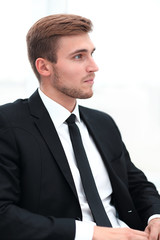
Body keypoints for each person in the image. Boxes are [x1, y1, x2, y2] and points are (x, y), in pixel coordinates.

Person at [0, 14, 160, 240]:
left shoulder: (103, 123)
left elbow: (137, 185)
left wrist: (156, 217)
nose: (93, 67)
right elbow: (3, 215)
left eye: (91, 54)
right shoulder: (8, 124)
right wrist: (91, 234)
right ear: (44, 67)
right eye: (78, 57)